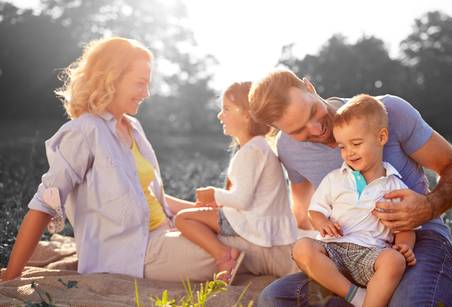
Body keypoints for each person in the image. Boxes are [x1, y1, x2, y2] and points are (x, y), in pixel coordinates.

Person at [0, 38, 297, 283]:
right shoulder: (83, 132)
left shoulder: (133, 128)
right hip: (134, 252)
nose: (147, 93)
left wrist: (203, 210)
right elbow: (43, 205)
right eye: (140, 83)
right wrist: (12, 276)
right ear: (111, 80)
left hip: (163, 232)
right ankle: (314, 262)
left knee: (246, 235)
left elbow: (150, 198)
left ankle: (318, 255)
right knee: (245, 248)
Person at [248, 69, 452, 306]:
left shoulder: (388, 112)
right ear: (278, 130)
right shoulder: (288, 149)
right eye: (298, 131)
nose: (316, 130)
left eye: (313, 112)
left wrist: (428, 206)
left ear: (310, 87)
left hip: (416, 240)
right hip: (346, 252)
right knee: (274, 298)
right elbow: (303, 214)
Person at [292, 94, 416, 307]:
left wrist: (404, 246)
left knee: (394, 261)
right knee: (301, 247)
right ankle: (356, 297)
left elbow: (406, 226)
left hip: (371, 254)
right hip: (333, 251)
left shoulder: (394, 185)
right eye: (342, 147)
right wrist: (323, 223)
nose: (348, 152)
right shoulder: (335, 179)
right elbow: (315, 211)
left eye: (356, 143)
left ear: (381, 137)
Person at [175, 82, 297, 284]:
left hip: (250, 222)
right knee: (198, 215)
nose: (220, 115)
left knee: (182, 219)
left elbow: (242, 200)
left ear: (247, 114)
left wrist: (213, 194)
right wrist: (220, 202)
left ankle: (224, 255)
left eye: (227, 109)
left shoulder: (251, 152)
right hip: (261, 220)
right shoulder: (259, 147)